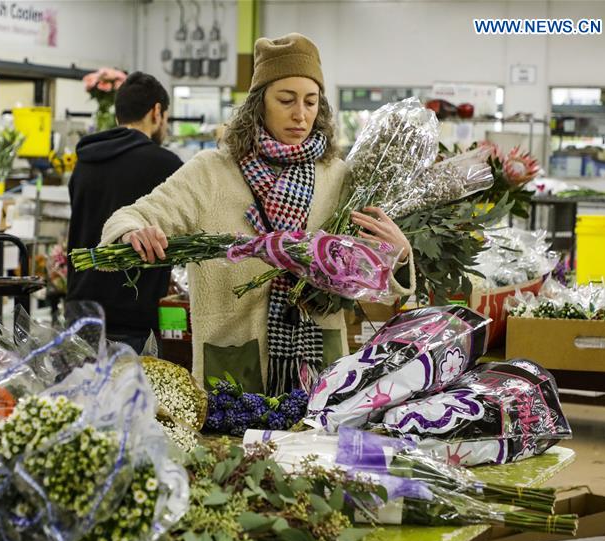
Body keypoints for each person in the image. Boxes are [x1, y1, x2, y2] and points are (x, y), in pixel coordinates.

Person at [101, 34, 415, 395]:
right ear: (258, 103)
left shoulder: (337, 177)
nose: (301, 114)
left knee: (310, 450)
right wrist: (131, 233)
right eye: (286, 100)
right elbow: (131, 216)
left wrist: (398, 255)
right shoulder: (212, 171)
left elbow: (377, 285)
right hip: (233, 362)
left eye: (311, 102)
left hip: (316, 363)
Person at [66, 71, 183, 353]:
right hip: (134, 316)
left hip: (81, 308)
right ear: (157, 112)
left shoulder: (85, 160)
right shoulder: (165, 164)